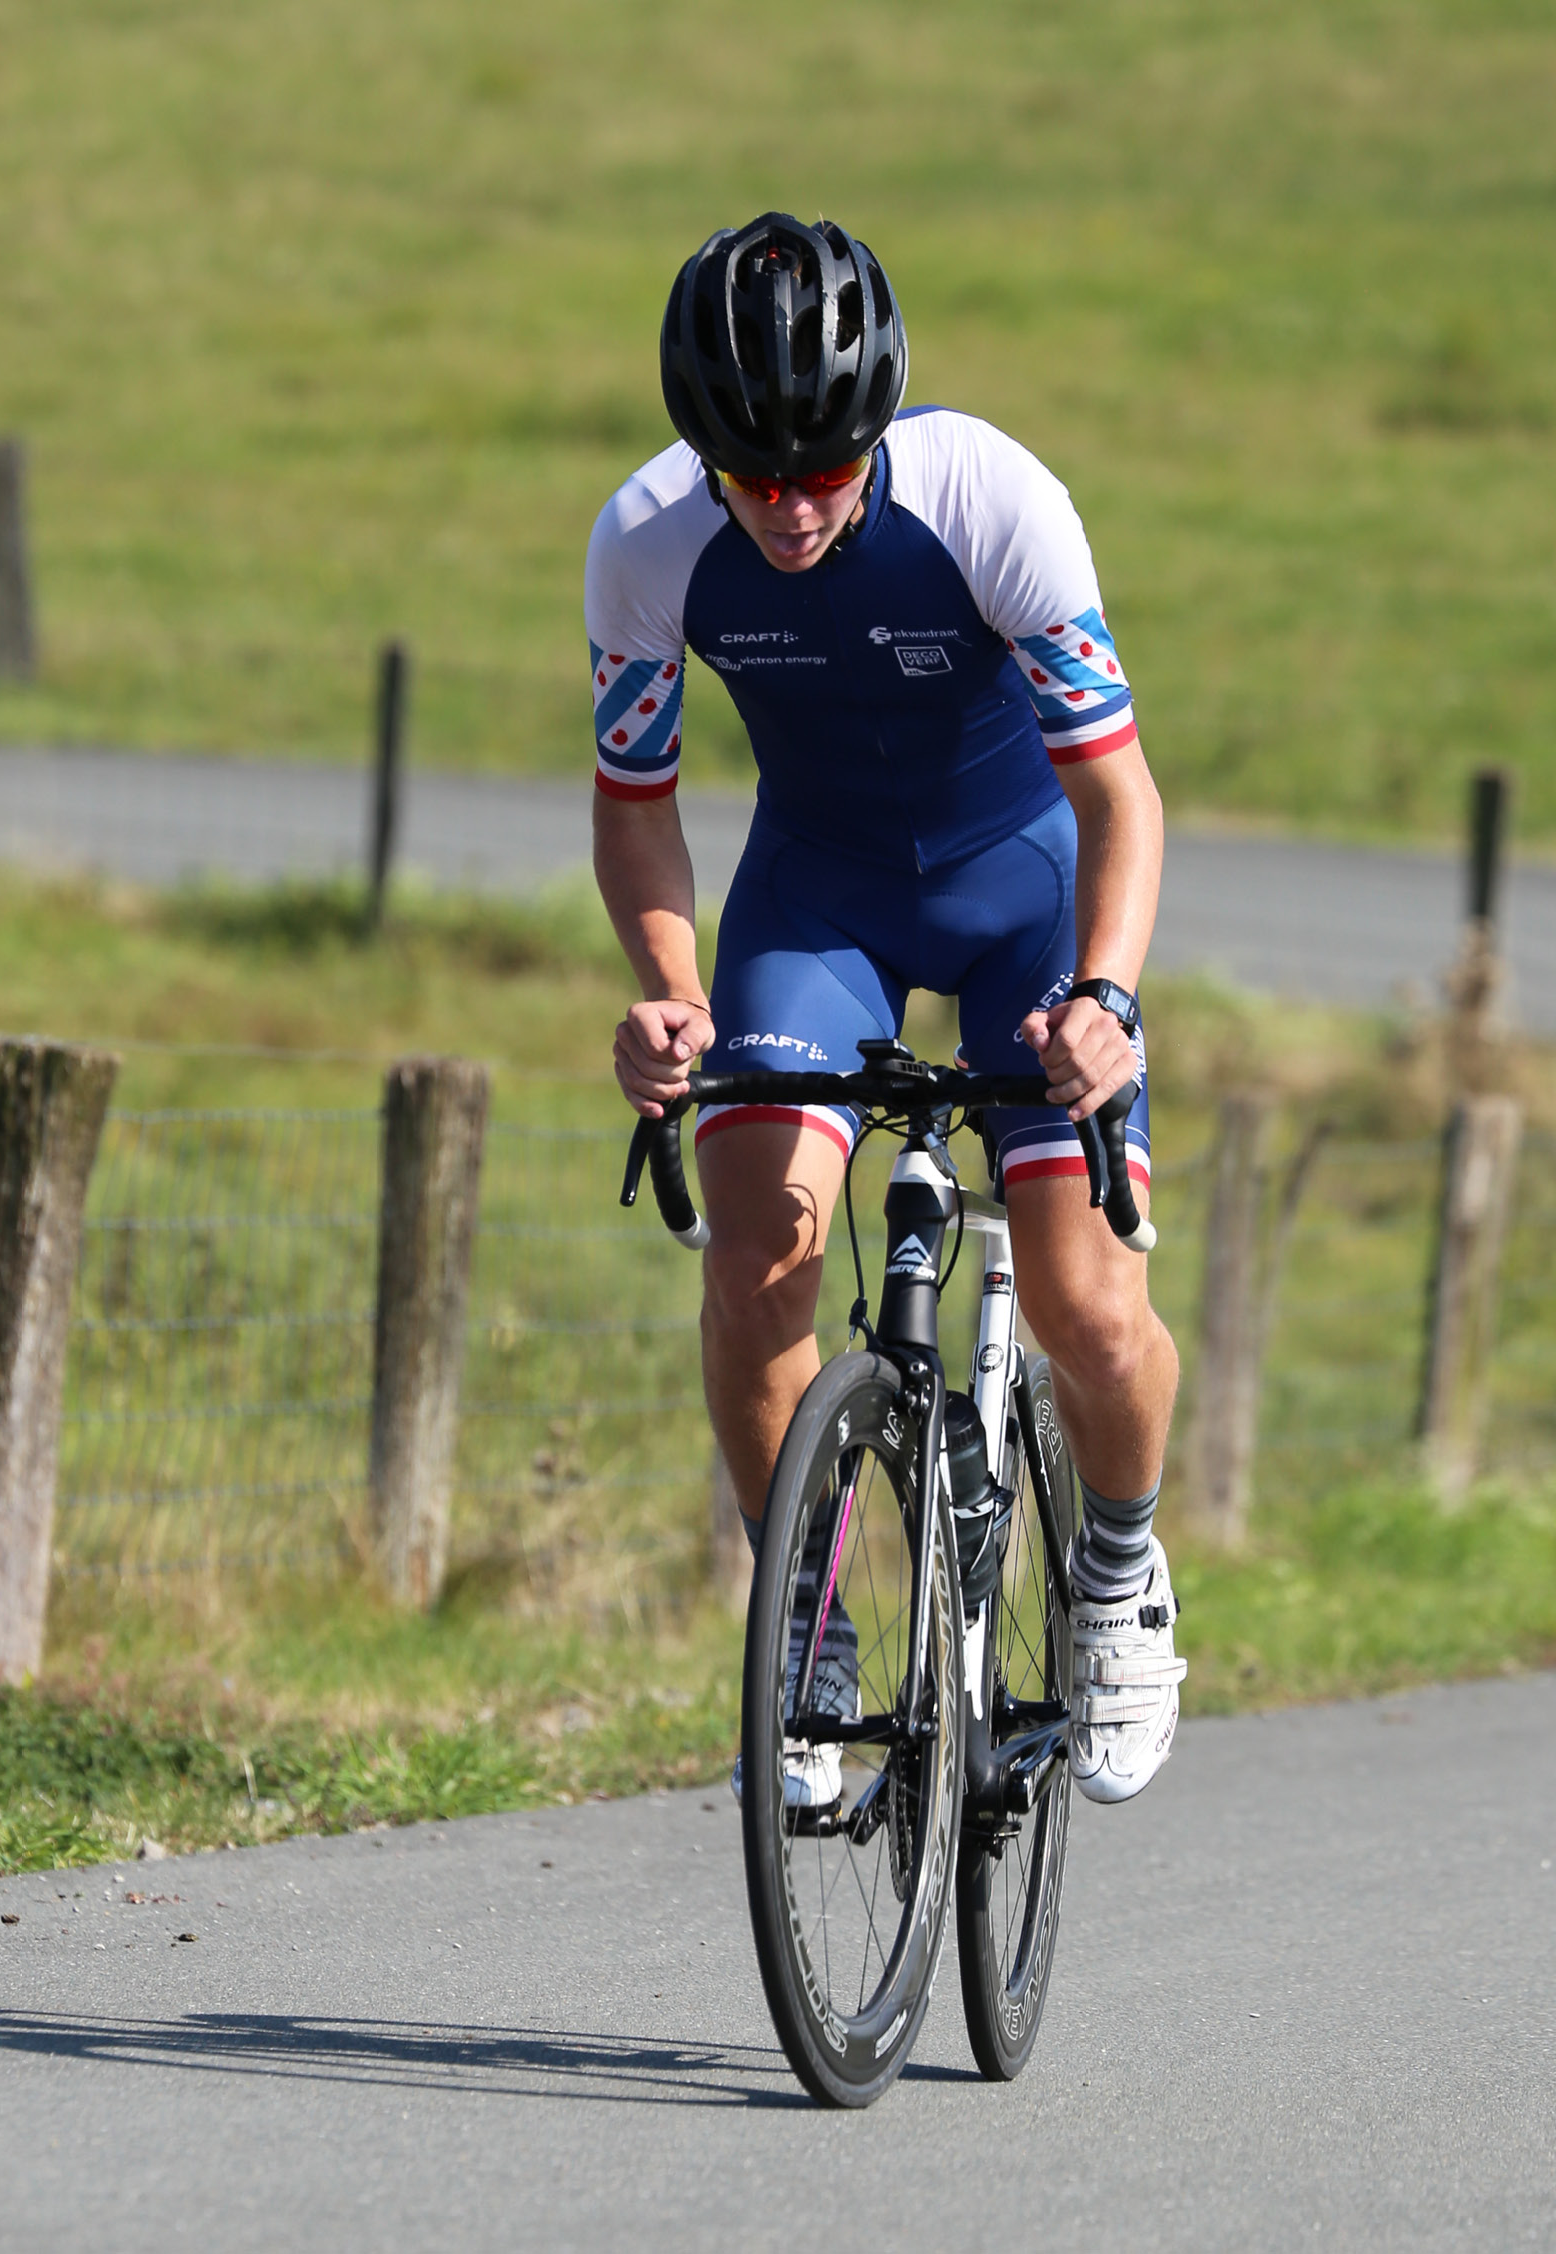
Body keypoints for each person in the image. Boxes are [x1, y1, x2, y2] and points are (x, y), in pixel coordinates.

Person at [588, 214, 1184, 1804]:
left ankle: (1118, 1576)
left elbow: (1119, 797)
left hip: (1025, 902)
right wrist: (666, 992)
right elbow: (634, 800)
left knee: (1082, 1303)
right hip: (819, 901)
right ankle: (811, 1621)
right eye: (749, 473)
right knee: (761, 1254)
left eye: (821, 470)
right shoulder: (646, 539)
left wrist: (1107, 1001)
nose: (786, 507)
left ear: (879, 426)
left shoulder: (991, 497)